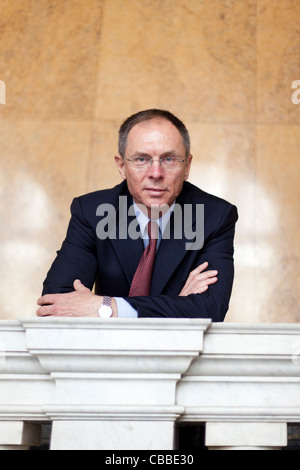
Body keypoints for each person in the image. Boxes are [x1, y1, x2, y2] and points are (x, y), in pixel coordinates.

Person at [37, 109, 238, 321]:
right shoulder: (91, 212)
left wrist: (107, 307)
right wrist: (178, 304)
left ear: (186, 167)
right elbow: (55, 305)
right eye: (141, 159)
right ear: (122, 166)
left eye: (169, 159)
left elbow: (211, 309)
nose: (156, 173)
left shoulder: (215, 217)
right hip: (106, 349)